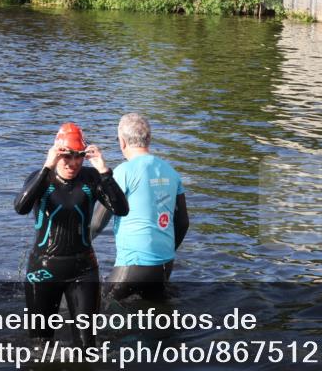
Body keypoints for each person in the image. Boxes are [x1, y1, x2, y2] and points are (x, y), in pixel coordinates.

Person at [14, 123, 129, 346]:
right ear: (56, 155)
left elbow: (122, 209)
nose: (73, 163)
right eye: (67, 157)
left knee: (87, 345)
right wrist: (47, 166)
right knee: (40, 344)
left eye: (78, 157)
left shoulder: (91, 178)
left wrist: (104, 171)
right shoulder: (40, 178)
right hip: (44, 270)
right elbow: (21, 207)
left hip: (83, 269)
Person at [90, 113, 190, 302]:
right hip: (165, 265)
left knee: (96, 308)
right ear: (149, 139)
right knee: (155, 320)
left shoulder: (122, 172)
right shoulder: (172, 172)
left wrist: (73, 247)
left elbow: (96, 224)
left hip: (133, 265)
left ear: (122, 142)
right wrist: (166, 251)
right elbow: (183, 222)